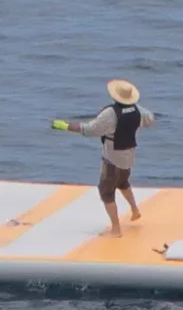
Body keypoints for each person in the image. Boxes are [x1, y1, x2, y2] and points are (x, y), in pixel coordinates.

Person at [62, 79, 156, 235]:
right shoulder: (139, 111)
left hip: (113, 156)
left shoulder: (110, 113)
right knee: (123, 182)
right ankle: (135, 209)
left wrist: (67, 126)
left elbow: (90, 129)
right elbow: (150, 119)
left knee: (106, 191)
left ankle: (116, 229)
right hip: (129, 153)